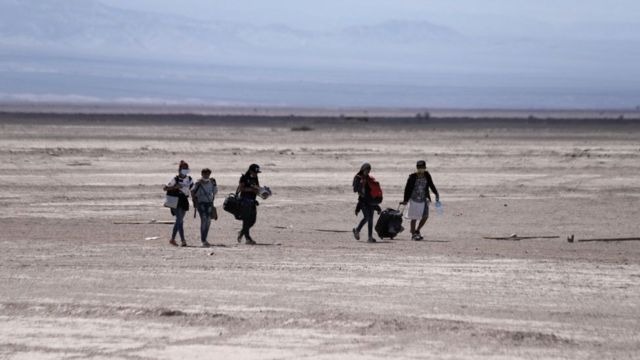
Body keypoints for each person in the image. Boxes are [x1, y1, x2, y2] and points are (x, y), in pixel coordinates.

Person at [400, 160, 439, 241]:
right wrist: (405, 200)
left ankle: (417, 230)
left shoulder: (427, 175)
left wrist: (436, 193)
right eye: (419, 168)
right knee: (414, 218)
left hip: (424, 199)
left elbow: (431, 184)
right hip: (414, 199)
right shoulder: (412, 176)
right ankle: (413, 234)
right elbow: (407, 189)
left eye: (422, 168)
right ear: (417, 168)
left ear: (425, 168)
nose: (421, 169)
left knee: (425, 216)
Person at [163, 160, 193, 247]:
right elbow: (165, 188)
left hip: (184, 200)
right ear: (180, 169)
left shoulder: (189, 179)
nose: (185, 170)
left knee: (179, 221)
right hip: (175, 200)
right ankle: (183, 240)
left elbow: (193, 189)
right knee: (179, 220)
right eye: (184, 168)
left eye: (187, 169)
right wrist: (175, 187)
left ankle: (172, 239)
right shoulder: (175, 179)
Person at [352, 162, 381, 243]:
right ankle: (357, 230)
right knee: (367, 217)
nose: (367, 171)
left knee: (370, 219)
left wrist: (377, 205)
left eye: (369, 170)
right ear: (362, 169)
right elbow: (355, 190)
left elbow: (372, 192)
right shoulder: (358, 177)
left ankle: (370, 237)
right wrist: (360, 184)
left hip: (370, 201)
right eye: (366, 169)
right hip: (363, 202)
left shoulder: (369, 178)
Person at [191, 168, 218, 248]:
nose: (206, 175)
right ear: (202, 174)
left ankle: (205, 238)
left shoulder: (212, 182)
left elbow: (215, 192)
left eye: (208, 174)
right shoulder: (198, 183)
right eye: (205, 174)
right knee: (204, 220)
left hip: (209, 203)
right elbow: (192, 191)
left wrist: (215, 184)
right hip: (201, 203)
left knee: (208, 221)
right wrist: (195, 201)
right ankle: (203, 240)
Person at [237, 164, 262, 245]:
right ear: (250, 170)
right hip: (244, 201)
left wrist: (262, 192)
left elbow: (257, 188)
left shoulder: (255, 178)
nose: (256, 174)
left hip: (252, 201)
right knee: (246, 220)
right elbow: (241, 188)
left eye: (257, 172)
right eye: (255, 172)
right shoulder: (244, 178)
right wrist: (251, 189)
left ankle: (242, 232)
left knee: (253, 220)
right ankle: (248, 239)